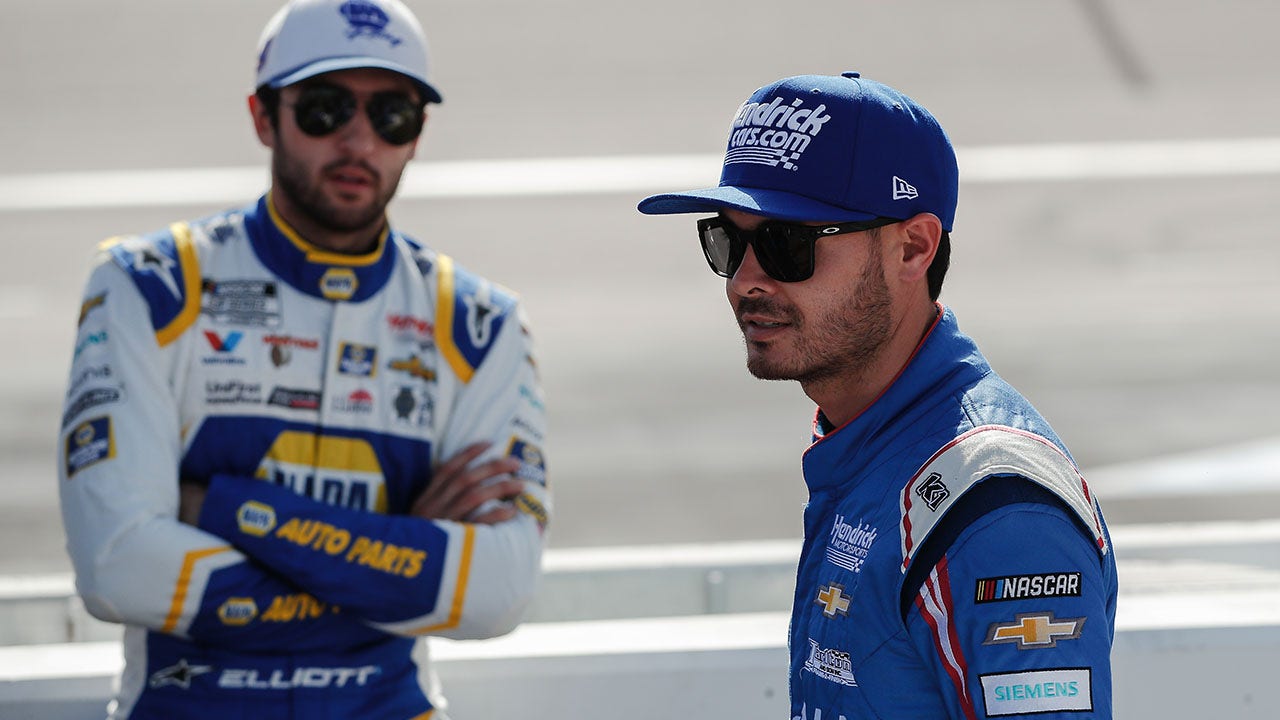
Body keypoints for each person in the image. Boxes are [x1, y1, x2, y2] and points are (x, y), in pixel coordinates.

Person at [57, 1, 550, 717]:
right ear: (264, 117)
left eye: (392, 116)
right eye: (325, 108)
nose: (359, 140)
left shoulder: (479, 324)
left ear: (417, 134)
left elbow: (498, 593)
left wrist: (224, 508)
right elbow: (116, 568)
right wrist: (399, 561)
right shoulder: (150, 285)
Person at [638, 72, 1117, 719]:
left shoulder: (998, 512)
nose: (745, 279)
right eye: (726, 240)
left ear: (913, 248)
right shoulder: (867, 440)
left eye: (787, 245)